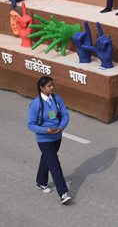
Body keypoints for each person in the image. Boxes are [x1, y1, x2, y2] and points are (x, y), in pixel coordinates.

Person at [27, 76, 71, 204]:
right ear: (42, 88)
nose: (52, 87)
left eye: (52, 85)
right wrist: (46, 130)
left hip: (57, 137)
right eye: (49, 86)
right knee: (54, 165)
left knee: (47, 159)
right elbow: (31, 125)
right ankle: (63, 193)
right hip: (44, 139)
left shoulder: (57, 99)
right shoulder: (35, 104)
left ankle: (41, 182)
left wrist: (61, 127)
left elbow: (65, 114)